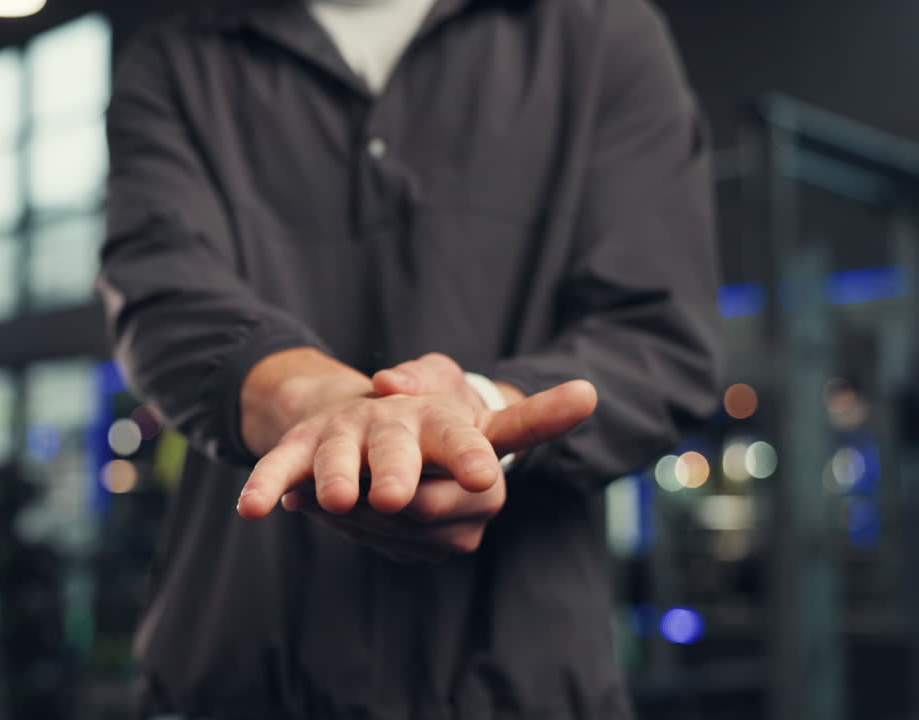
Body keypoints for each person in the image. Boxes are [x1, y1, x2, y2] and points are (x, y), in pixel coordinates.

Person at [97, 0, 722, 717]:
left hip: (521, 687)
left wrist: (482, 419)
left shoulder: (601, 30)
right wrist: (320, 409)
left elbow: (659, 332)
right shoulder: (177, 55)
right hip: (240, 681)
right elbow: (163, 289)